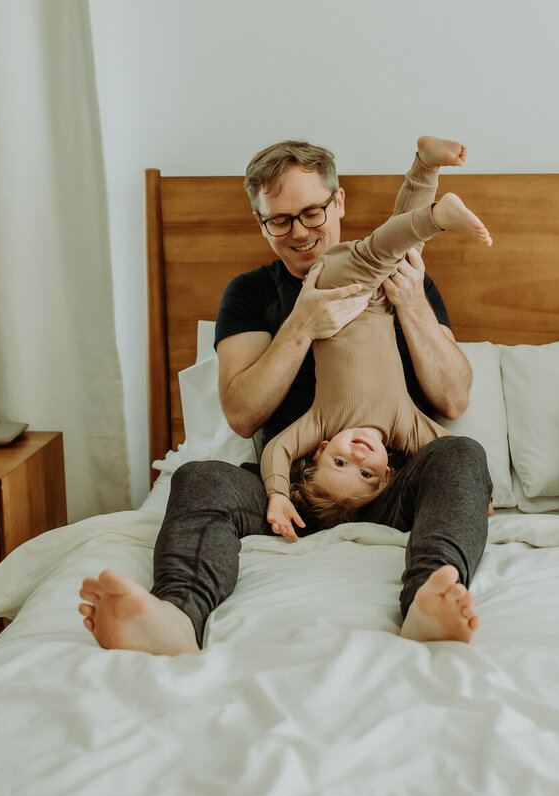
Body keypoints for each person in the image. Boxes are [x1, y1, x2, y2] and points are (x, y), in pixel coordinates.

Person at [79, 137, 493, 655]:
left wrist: (410, 304)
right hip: (289, 497)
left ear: (339, 202)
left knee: (461, 454)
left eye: (312, 212)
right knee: (200, 477)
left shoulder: (399, 273)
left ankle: (428, 603)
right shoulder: (250, 294)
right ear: (261, 222)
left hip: (393, 486)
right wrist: (300, 326)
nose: (298, 232)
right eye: (280, 220)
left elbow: (454, 400)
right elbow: (241, 413)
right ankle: (177, 616)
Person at [261, 146, 491, 538]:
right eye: (365, 473)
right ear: (387, 472)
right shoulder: (406, 427)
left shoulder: (321, 423)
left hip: (332, 287)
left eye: (338, 463)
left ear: (320, 450)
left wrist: (278, 493)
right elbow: (458, 452)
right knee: (403, 247)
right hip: (381, 300)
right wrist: (476, 491)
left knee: (376, 253)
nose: (356, 456)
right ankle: (426, 165)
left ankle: (437, 216)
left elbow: (276, 450)